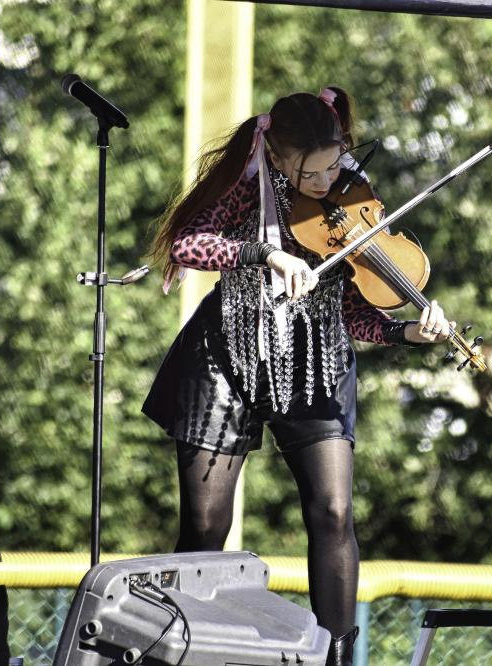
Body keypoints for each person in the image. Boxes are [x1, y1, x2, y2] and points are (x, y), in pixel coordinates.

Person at [143, 87, 452, 665]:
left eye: (335, 164)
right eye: (312, 173)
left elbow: (354, 303)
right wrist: (263, 255)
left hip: (316, 359)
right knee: (206, 526)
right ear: (281, 160)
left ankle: (336, 657)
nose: (328, 180)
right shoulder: (247, 181)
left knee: (333, 511)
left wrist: (404, 331)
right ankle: (185, 651)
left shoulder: (351, 196)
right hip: (229, 352)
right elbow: (189, 242)